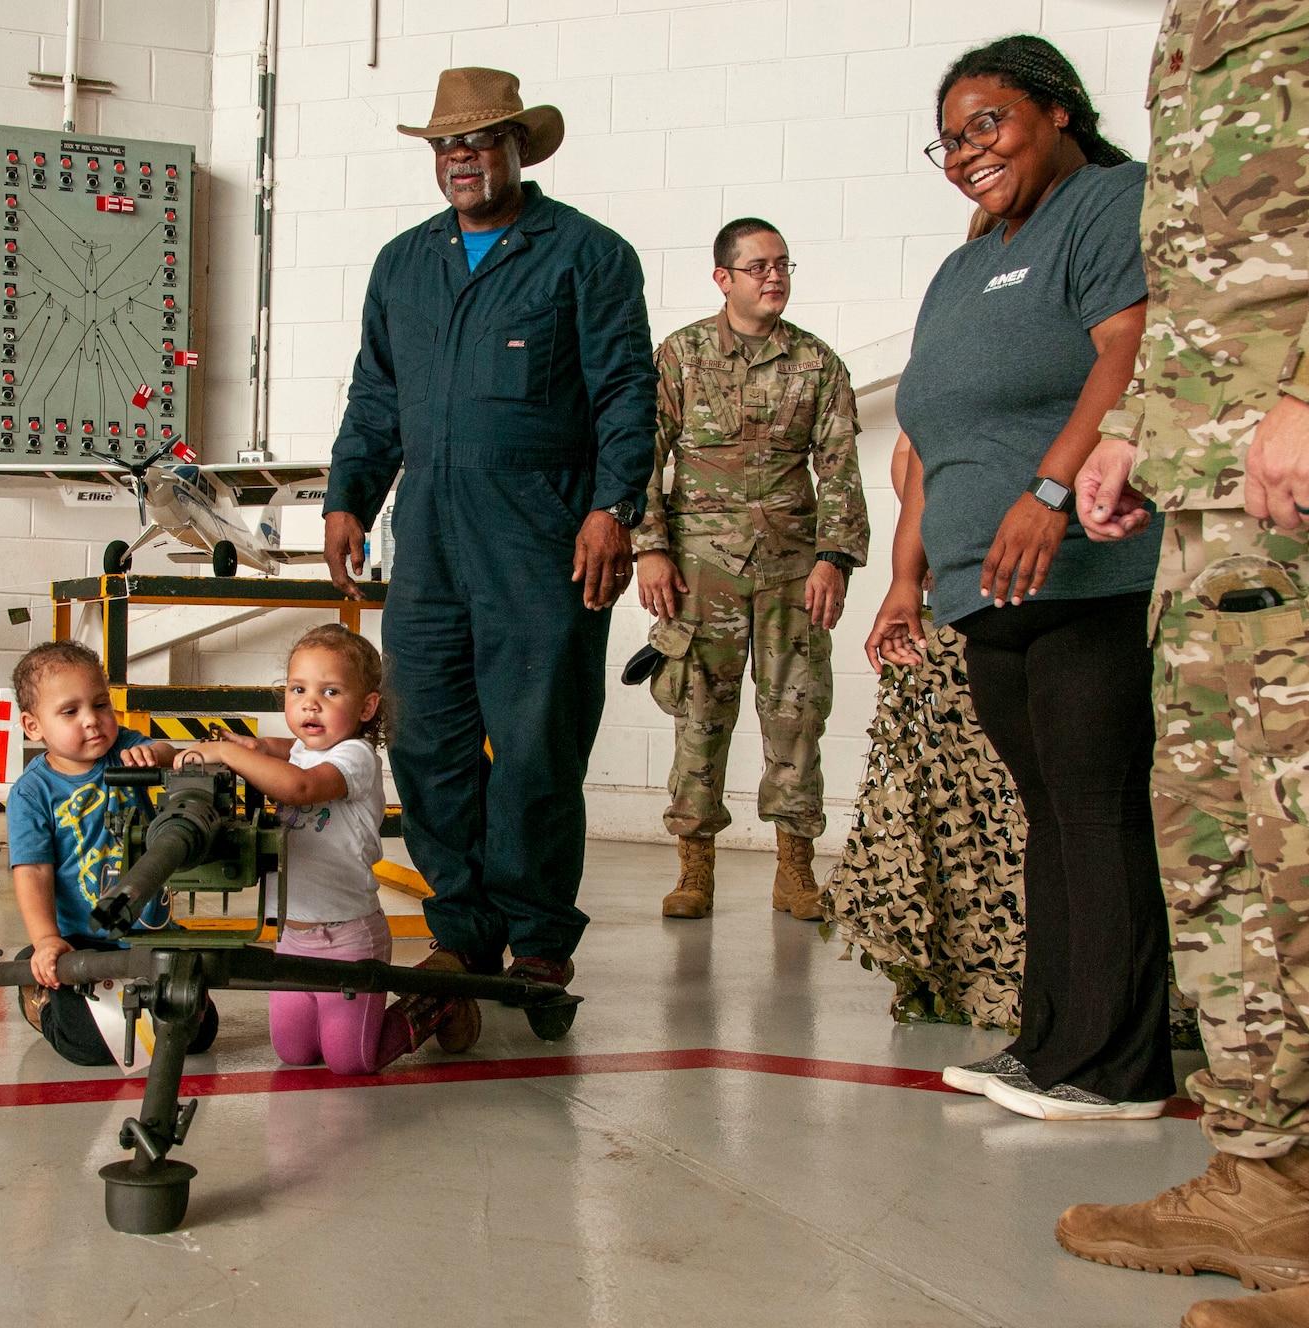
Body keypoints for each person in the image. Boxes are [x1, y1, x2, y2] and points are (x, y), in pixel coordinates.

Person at [1062, 3, 1309, 1319]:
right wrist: (1140, 427)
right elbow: (1208, 249)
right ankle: (1272, 1183)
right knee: (1223, 852)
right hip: (1217, 482)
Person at [867, 35, 1173, 1121]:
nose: (964, 152)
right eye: (947, 139)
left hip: (1085, 566)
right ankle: (1051, 1042)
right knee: (1048, 809)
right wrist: (905, 576)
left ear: (1057, 113)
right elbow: (922, 438)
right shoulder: (966, 258)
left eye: (985, 124)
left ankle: (1117, 1065)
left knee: (1092, 807)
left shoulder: (1104, 202)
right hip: (978, 585)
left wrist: (1047, 492)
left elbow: (1126, 344)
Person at [322, 67, 656, 990]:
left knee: (538, 741)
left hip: (542, 535)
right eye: (443, 145)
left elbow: (629, 394)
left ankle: (539, 938)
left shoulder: (587, 255)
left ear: (517, 147)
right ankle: (463, 930)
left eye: (476, 141)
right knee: (426, 739)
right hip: (427, 534)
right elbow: (377, 393)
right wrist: (349, 491)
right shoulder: (405, 262)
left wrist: (611, 508)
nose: (459, 158)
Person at [633, 217, 868, 922]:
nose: (775, 277)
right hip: (701, 571)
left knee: (796, 716)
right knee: (699, 716)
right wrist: (649, 546)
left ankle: (794, 871)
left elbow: (840, 472)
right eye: (759, 266)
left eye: (784, 265)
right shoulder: (680, 355)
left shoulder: (818, 364)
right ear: (723, 278)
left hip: (793, 568)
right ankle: (694, 870)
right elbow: (642, 453)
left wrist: (835, 560)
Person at [145, 625, 477, 1072]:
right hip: (292, 937)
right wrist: (256, 746)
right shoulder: (301, 749)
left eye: (331, 691)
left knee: (351, 1061)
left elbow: (302, 785)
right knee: (294, 1053)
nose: (310, 702)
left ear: (366, 707)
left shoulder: (355, 758)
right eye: (298, 689)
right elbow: (293, 752)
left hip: (348, 937)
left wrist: (227, 752)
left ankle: (436, 1001)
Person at [821, 432, 1027, 1029]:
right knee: (966, 795)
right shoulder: (947, 362)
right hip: (966, 590)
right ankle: (983, 980)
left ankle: (1017, 979)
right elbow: (913, 463)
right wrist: (909, 575)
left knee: (1006, 796)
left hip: (1047, 582)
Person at [4, 641, 216, 1066]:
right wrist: (47, 939)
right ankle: (39, 998)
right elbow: (33, 873)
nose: (92, 721)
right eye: (70, 712)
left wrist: (154, 754)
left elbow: (172, 757)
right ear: (33, 726)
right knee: (88, 1047)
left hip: (149, 931)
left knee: (197, 1034)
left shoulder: (126, 752)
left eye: (101, 704)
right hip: (80, 943)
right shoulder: (31, 793)